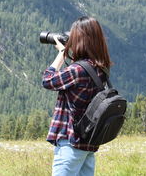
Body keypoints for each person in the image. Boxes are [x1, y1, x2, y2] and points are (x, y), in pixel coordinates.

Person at [42, 16, 112, 176]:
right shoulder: (101, 68)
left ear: (80, 40)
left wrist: (62, 53)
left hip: (70, 143)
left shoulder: (77, 70)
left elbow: (47, 81)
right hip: (88, 145)